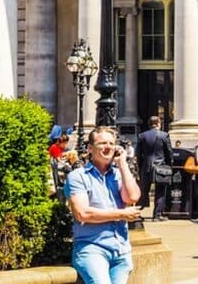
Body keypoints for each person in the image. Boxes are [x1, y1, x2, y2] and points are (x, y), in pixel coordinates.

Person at [65, 126, 142, 284]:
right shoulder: (77, 176)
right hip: (92, 249)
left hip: (121, 250)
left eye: (111, 143)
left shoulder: (119, 174)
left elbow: (133, 196)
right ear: (90, 148)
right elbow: (83, 214)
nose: (108, 147)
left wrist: (123, 164)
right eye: (102, 144)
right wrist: (122, 214)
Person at [136, 115, 173, 221]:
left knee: (143, 191)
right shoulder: (164, 135)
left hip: (146, 166)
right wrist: (170, 166)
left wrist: (140, 166)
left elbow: (138, 154)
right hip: (161, 166)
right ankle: (157, 215)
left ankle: (137, 212)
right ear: (158, 124)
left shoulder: (142, 136)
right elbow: (169, 153)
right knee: (160, 191)